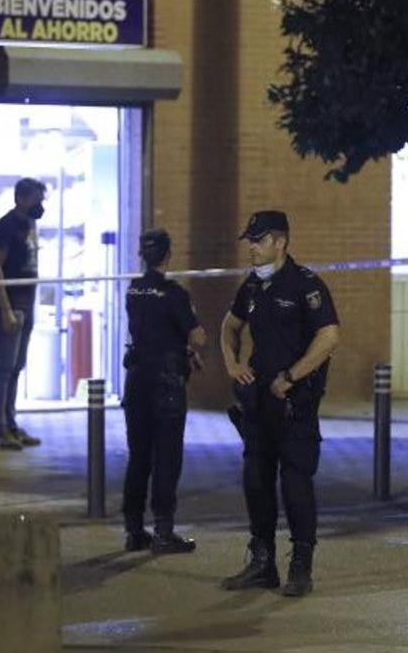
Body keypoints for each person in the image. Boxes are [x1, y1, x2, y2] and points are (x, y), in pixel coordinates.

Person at [219, 210, 340, 597]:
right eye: (250, 241)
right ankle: (261, 563)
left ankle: (301, 566)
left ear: (280, 242)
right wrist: (233, 364)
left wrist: (292, 376)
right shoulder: (252, 286)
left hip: (294, 404)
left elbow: (329, 336)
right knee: (256, 481)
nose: (251, 248)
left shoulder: (305, 285)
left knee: (295, 484)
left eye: (258, 240)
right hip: (258, 405)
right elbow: (229, 327)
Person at [120, 229, 207, 554]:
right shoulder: (174, 294)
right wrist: (191, 344)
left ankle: (133, 530)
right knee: (167, 457)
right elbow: (197, 336)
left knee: (138, 457)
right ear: (168, 255)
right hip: (166, 384)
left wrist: (179, 348)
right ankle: (163, 532)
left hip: (137, 378)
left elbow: (151, 334)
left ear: (142, 255)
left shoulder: (134, 290)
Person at [0, 177, 47, 450]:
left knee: (18, 366)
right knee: (5, 367)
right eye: (36, 199)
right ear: (21, 198)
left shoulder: (30, 224)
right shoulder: (6, 227)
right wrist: (7, 311)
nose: (40, 205)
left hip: (27, 301)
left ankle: (11, 424)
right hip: (9, 305)